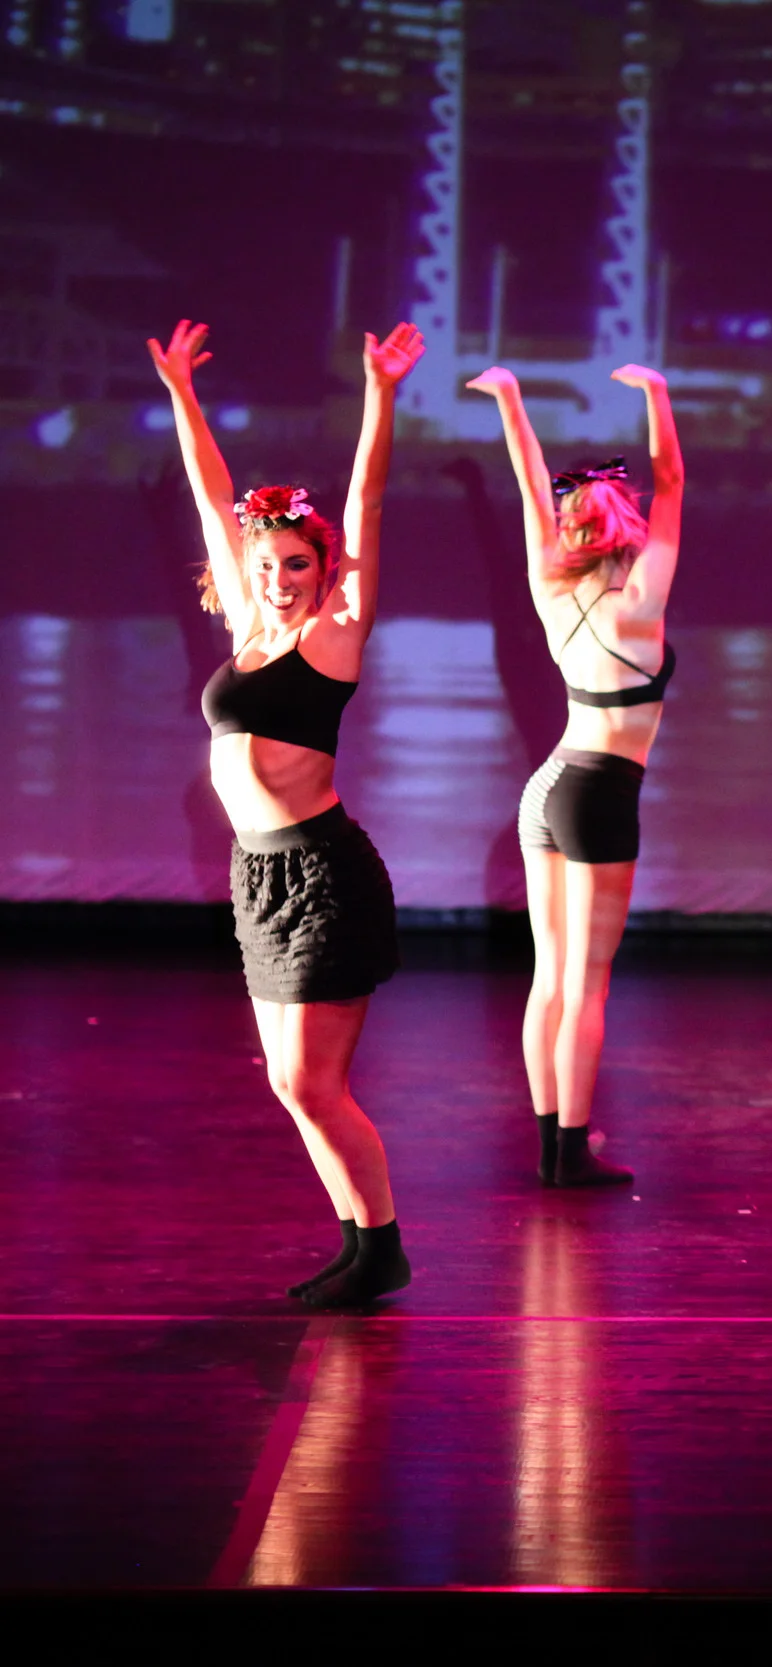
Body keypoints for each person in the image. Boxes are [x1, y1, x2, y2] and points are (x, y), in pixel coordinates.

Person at [150, 316, 425, 1306]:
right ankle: (359, 1243)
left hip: (320, 875)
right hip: (255, 873)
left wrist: (380, 394)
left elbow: (369, 501)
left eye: (296, 564)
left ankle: (382, 1244)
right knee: (288, 1082)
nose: (275, 578)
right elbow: (209, 495)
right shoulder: (250, 625)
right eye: (264, 563)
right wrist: (183, 394)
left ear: (323, 565)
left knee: (313, 1082)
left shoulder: (333, 634)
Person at [467, 364, 686, 1187]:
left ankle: (553, 1148)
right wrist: (655, 393)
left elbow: (529, 486)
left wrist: (510, 398)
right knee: (587, 983)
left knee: (549, 978)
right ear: (626, 525)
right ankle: (569, 1152)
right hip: (599, 791)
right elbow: (673, 480)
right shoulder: (641, 601)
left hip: (547, 786)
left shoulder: (551, 591)